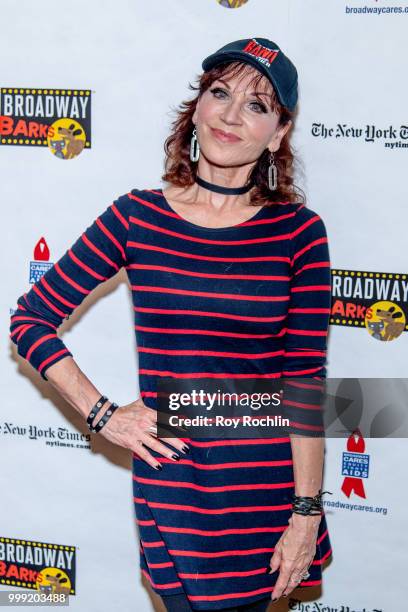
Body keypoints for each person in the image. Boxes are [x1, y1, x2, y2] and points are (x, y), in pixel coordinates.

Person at [9, 37, 333, 611]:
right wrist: (103, 414)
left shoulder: (300, 233)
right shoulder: (137, 216)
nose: (231, 115)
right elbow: (31, 319)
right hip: (176, 483)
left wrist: (306, 512)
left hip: (265, 493)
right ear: (197, 107)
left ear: (279, 133)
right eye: (220, 93)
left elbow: (304, 381)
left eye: (257, 105)